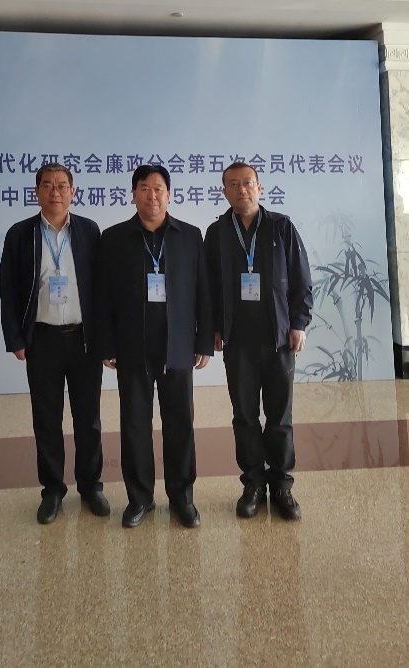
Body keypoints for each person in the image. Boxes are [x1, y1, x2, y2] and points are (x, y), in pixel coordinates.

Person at [98, 164, 212, 529]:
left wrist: (204, 340)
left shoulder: (190, 236)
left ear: (169, 194)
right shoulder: (114, 238)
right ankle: (140, 499)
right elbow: (103, 296)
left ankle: (182, 498)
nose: (152, 195)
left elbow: (203, 291)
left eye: (159, 188)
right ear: (133, 194)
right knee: (134, 425)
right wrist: (106, 342)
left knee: (180, 424)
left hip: (178, 346)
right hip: (132, 347)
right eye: (145, 188)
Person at [0, 163, 109, 524]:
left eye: (62, 185)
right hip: (42, 339)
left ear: (73, 192)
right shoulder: (20, 234)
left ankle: (91, 486)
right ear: (37, 192)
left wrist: (105, 339)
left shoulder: (89, 231)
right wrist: (15, 337)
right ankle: (52, 490)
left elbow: (101, 290)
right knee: (46, 418)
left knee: (88, 418)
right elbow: (8, 290)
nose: (55, 192)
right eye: (47, 185)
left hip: (83, 340)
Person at [204, 162, 313, 520]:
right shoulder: (217, 233)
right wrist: (214, 327)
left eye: (248, 183)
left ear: (260, 187)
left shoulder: (281, 226)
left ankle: (282, 485)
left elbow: (301, 278)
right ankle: (252, 484)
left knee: (280, 416)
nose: (242, 190)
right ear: (225, 192)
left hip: (278, 339)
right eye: (233, 184)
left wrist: (298, 323)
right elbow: (209, 286)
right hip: (238, 342)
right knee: (245, 416)